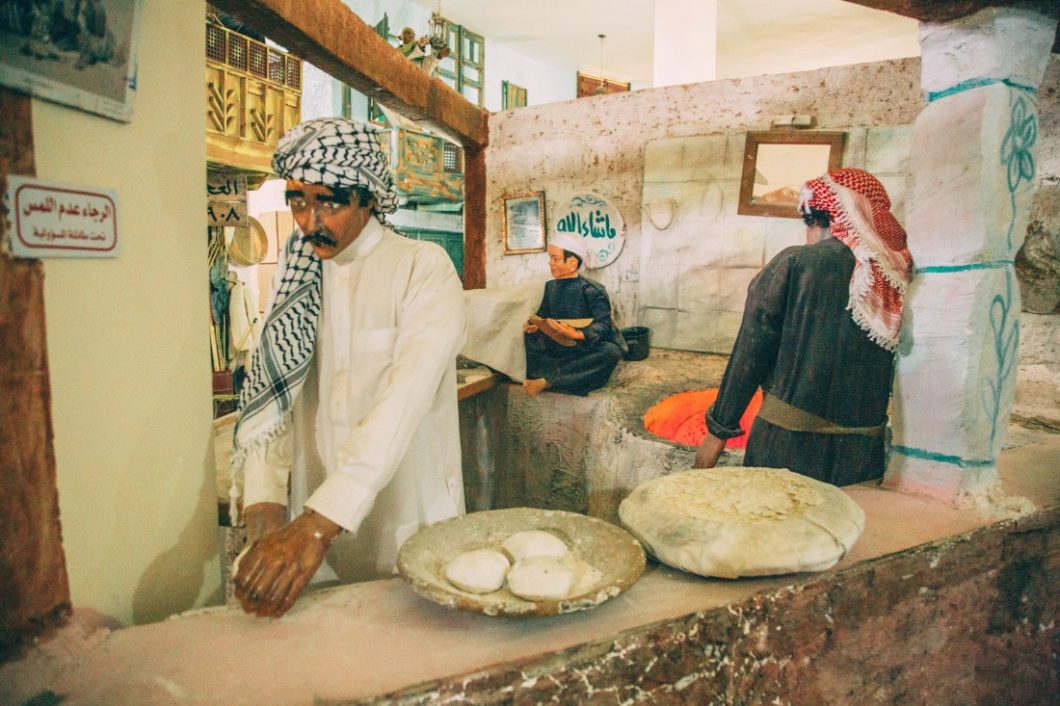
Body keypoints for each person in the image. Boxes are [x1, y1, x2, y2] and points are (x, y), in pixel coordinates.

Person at [229, 117, 467, 618]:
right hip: (311, 531)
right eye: (297, 199)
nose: (308, 220)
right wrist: (266, 511)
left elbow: (403, 400)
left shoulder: (422, 268)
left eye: (328, 201)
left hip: (404, 520)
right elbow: (273, 392)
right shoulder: (299, 277)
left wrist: (318, 524)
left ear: (368, 198)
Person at [694, 168, 913, 486]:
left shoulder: (795, 264)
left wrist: (718, 431)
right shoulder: (896, 277)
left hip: (787, 449)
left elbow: (750, 352)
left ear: (823, 220)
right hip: (862, 456)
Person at [523, 233, 625, 397]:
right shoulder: (550, 287)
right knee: (524, 340)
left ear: (572, 263)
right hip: (557, 348)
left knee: (610, 352)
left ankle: (548, 380)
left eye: (555, 259)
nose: (550, 263)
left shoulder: (592, 290)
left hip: (582, 350)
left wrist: (577, 334)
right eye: (550, 258)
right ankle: (562, 377)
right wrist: (534, 326)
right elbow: (543, 316)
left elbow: (603, 324)